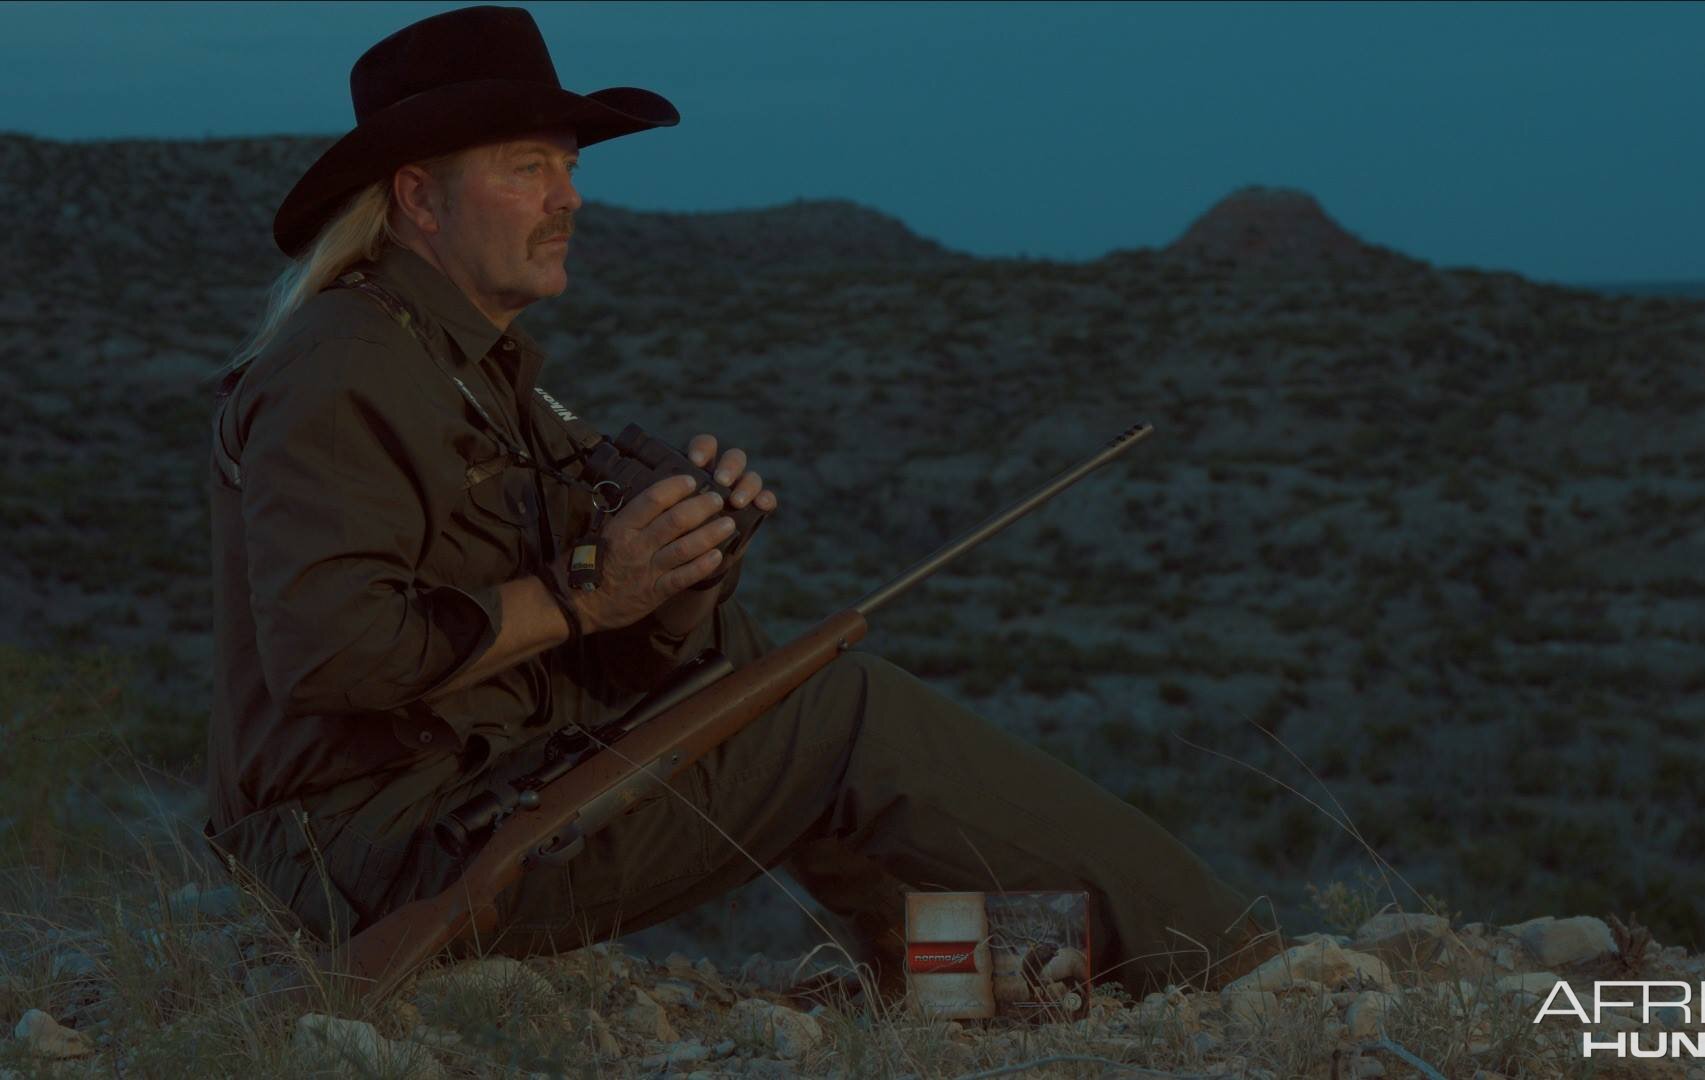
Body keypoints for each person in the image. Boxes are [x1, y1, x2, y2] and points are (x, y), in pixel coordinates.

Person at [203, 4, 1274, 1001]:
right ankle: (1231, 962)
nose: (569, 197)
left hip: (475, 810)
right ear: (418, 196)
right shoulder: (339, 368)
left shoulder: (481, 375)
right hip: (385, 858)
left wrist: (682, 571)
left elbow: (619, 651)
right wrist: (588, 588)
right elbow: (335, 653)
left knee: (761, 668)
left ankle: (971, 978)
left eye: (567, 168)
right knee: (838, 708)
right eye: (527, 168)